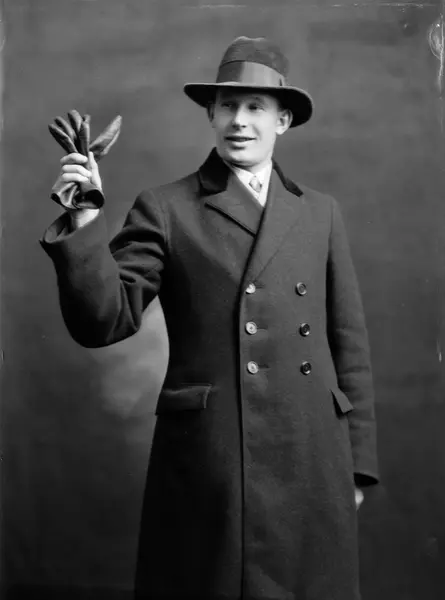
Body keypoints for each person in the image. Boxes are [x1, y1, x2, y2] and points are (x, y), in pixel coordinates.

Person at [41, 36, 379, 600]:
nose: (239, 121)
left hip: (313, 455)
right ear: (211, 115)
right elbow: (104, 320)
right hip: (215, 457)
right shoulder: (166, 207)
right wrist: (84, 219)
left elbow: (350, 344)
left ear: (282, 121)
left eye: (255, 107)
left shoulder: (320, 212)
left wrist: (358, 465)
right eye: (227, 106)